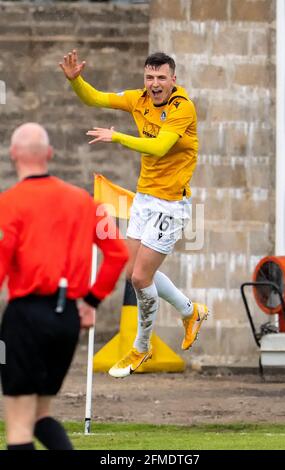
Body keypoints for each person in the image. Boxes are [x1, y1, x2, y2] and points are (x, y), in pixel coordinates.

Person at [60, 50, 208, 379]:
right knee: (133, 273)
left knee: (141, 278)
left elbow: (159, 147)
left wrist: (117, 137)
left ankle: (142, 347)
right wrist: (76, 81)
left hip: (171, 203)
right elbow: (95, 98)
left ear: (173, 80)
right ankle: (190, 311)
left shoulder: (182, 108)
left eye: (161, 78)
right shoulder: (137, 99)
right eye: (149, 78)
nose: (154, 84)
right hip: (144, 198)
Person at [0, 123, 128, 450]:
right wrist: (91, 301)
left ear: (13, 155)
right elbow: (117, 254)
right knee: (41, 414)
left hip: (26, 315)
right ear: (50, 154)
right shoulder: (84, 201)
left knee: (18, 422)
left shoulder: (9, 204)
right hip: (66, 319)